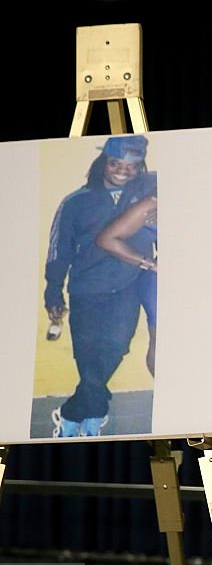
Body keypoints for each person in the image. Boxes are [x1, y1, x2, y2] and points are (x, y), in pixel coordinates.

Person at [45, 135, 158, 437]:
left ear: (140, 168)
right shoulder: (76, 201)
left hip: (127, 287)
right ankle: (91, 412)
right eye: (115, 163)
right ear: (103, 163)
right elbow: (59, 250)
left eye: (131, 166)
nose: (122, 170)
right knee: (86, 353)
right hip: (86, 289)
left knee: (117, 347)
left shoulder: (149, 193)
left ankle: (73, 412)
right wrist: (53, 290)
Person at [97, 194, 158, 376]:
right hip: (163, 282)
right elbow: (106, 239)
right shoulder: (155, 201)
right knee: (162, 342)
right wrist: (149, 264)